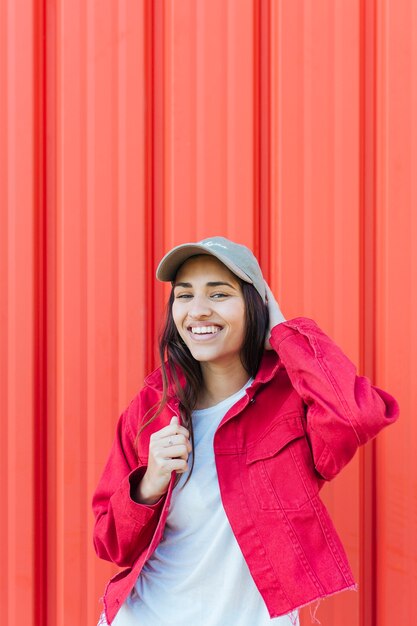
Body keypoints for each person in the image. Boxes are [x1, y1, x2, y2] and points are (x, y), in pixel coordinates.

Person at [93, 236, 399, 626]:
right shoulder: (152, 404)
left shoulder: (295, 400)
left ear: (257, 306)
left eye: (219, 294)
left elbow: (357, 416)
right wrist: (148, 484)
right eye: (184, 296)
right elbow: (109, 543)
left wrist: (284, 332)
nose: (198, 311)